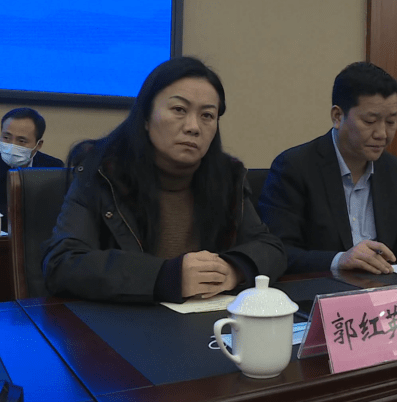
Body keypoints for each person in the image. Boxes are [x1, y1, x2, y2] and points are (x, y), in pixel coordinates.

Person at [43, 57, 286, 303]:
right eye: (179, 110)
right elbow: (62, 263)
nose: (193, 127)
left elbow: (270, 248)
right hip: (124, 320)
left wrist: (234, 269)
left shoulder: (227, 176)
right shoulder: (102, 171)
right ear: (146, 117)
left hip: (206, 321)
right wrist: (165, 277)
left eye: (207, 115)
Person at [258, 62, 397, 275]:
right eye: (369, 121)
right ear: (337, 116)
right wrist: (339, 260)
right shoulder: (294, 167)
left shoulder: (395, 172)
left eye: (390, 122)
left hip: (382, 292)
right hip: (320, 292)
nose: (382, 134)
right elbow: (277, 252)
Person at [0, 107, 64, 232]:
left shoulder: (53, 168)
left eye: (21, 140)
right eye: (6, 137)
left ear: (38, 145)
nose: (12, 145)